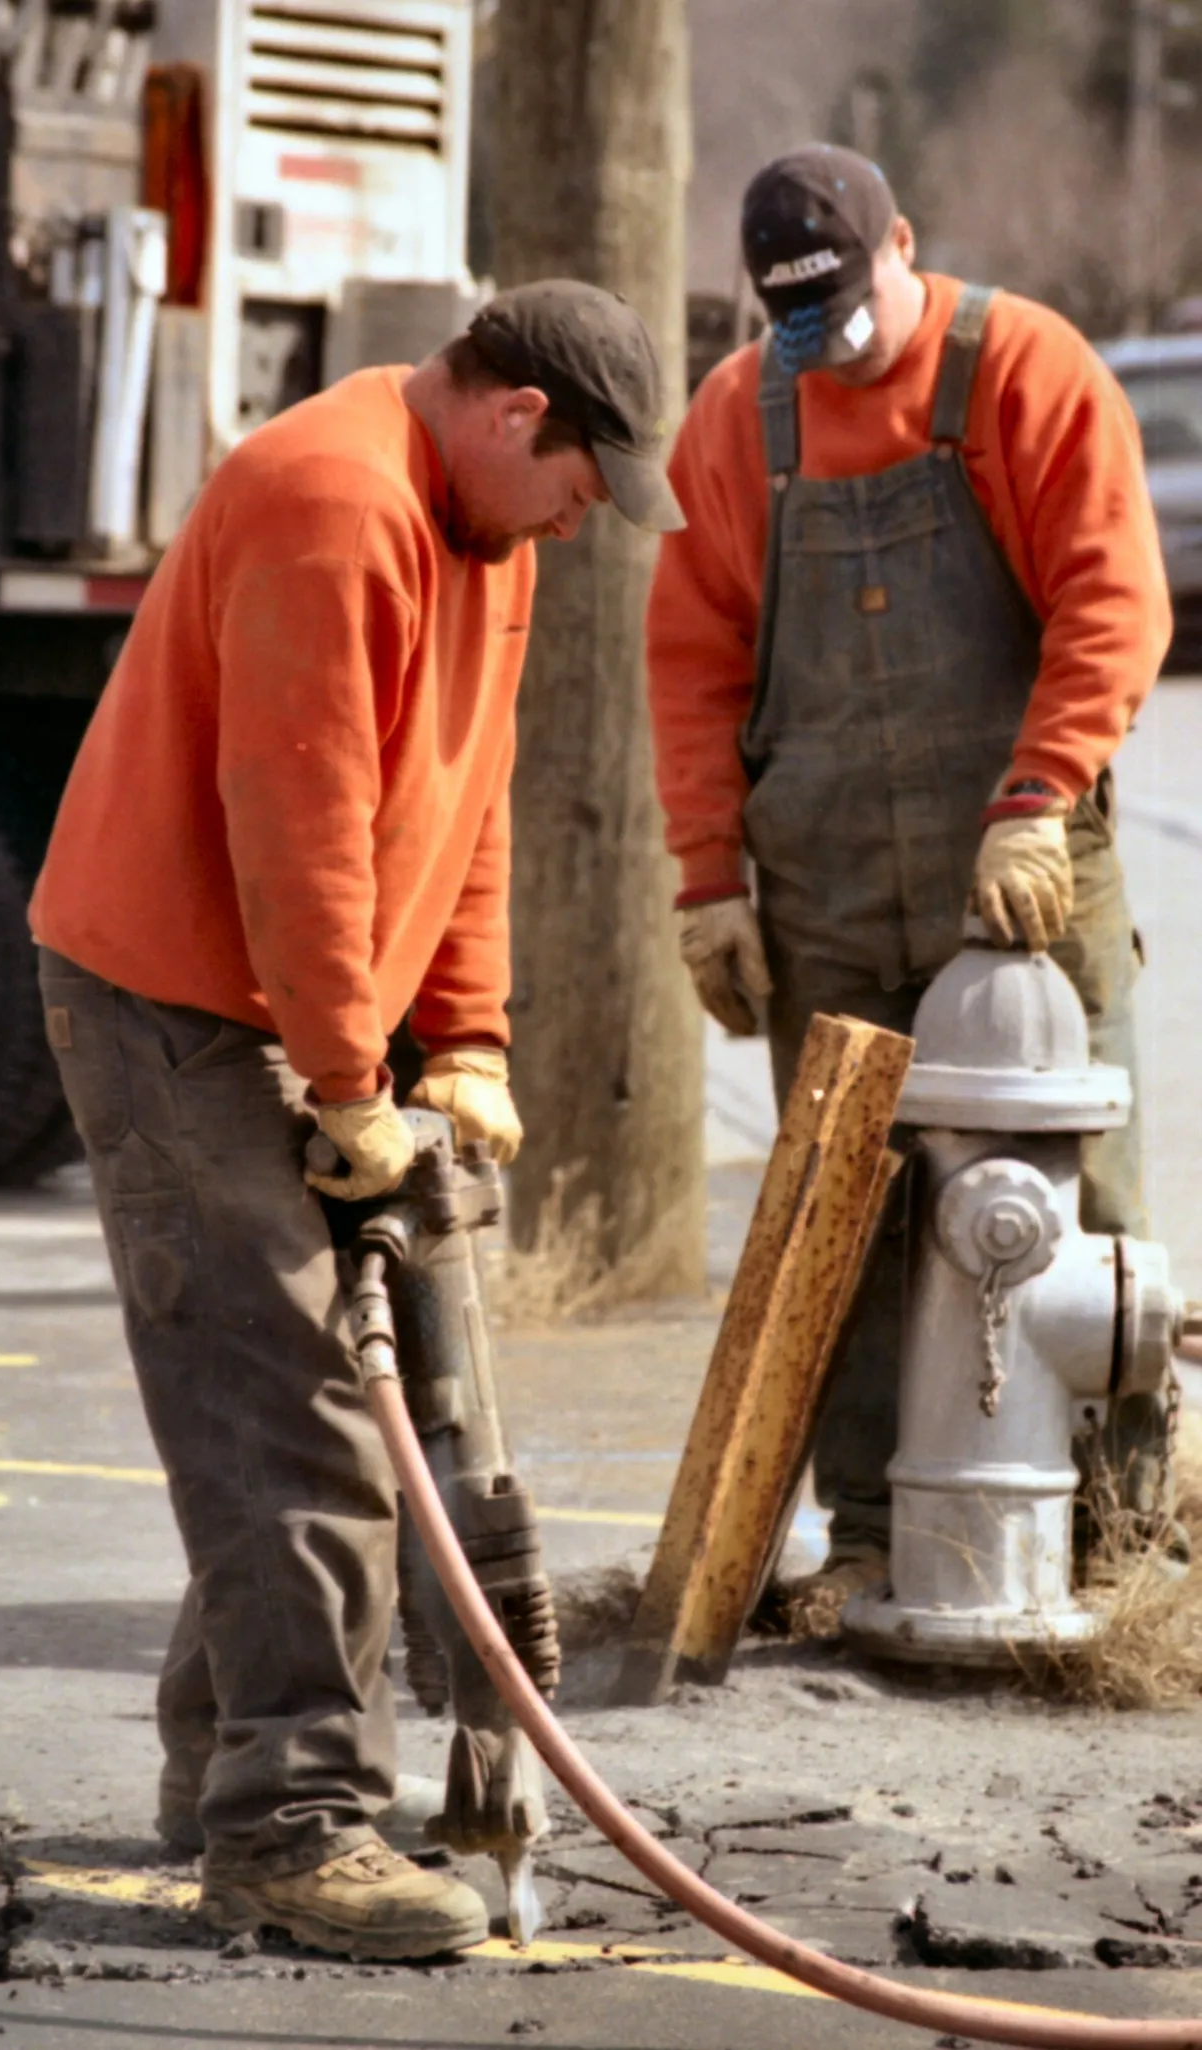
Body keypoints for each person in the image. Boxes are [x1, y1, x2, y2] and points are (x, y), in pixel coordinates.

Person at [29, 280, 683, 1961]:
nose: (585, 523)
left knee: (287, 1389)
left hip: (293, 1009)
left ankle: (222, 1763)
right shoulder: (335, 500)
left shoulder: (488, 540)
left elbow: (466, 801)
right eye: (583, 484)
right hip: (178, 1000)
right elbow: (298, 821)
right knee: (300, 1414)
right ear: (517, 416)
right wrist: (342, 1081)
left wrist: (464, 1035)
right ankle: (290, 1827)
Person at [646, 144, 1182, 1617]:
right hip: (819, 872)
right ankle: (875, 1531)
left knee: (1080, 1193)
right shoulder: (736, 422)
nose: (834, 346)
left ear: (906, 245)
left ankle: (1127, 1534)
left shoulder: (1024, 370)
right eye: (796, 321)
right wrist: (708, 879)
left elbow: (1111, 597)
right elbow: (691, 666)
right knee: (850, 1221)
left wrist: (1037, 794)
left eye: (852, 305)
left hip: (1021, 851)